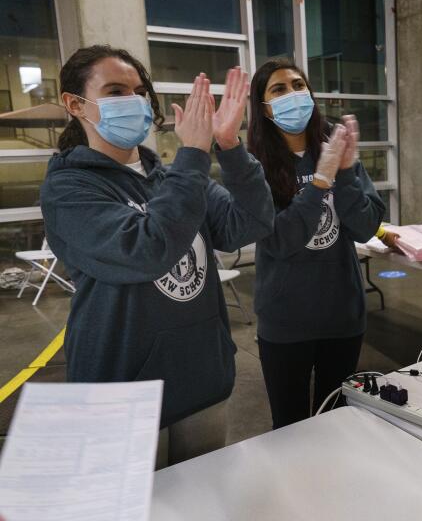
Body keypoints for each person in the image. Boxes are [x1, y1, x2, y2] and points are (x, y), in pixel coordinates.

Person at [41, 45, 274, 467]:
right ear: (75, 104)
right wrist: (194, 156)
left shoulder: (174, 177)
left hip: (201, 377)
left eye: (139, 91)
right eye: (115, 91)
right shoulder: (69, 189)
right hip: (124, 393)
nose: (134, 100)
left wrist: (229, 146)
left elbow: (252, 223)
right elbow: (146, 250)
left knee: (202, 498)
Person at [248, 58, 385, 429]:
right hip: (286, 322)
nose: (293, 94)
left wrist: (346, 174)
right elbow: (280, 240)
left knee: (336, 425)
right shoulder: (254, 166)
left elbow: (365, 226)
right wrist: (321, 182)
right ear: (263, 107)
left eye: (298, 85)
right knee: (290, 429)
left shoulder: (336, 148)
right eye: (279, 89)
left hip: (341, 317)